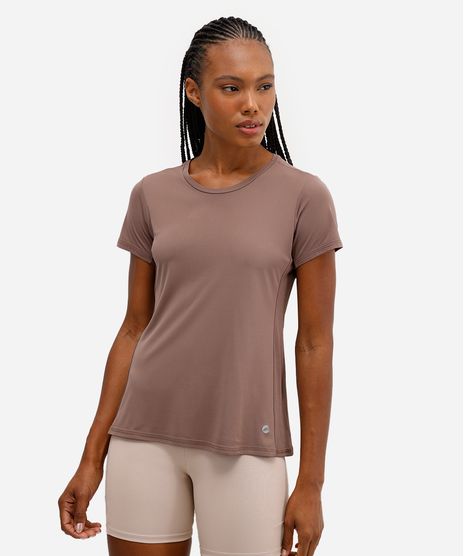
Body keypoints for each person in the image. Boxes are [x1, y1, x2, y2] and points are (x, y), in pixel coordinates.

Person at [58, 15, 343, 556]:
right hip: (141, 436)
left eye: (264, 86)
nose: (253, 104)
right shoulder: (152, 194)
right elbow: (134, 328)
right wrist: (92, 456)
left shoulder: (304, 198)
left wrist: (312, 482)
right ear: (193, 92)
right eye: (231, 88)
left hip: (247, 446)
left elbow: (314, 343)